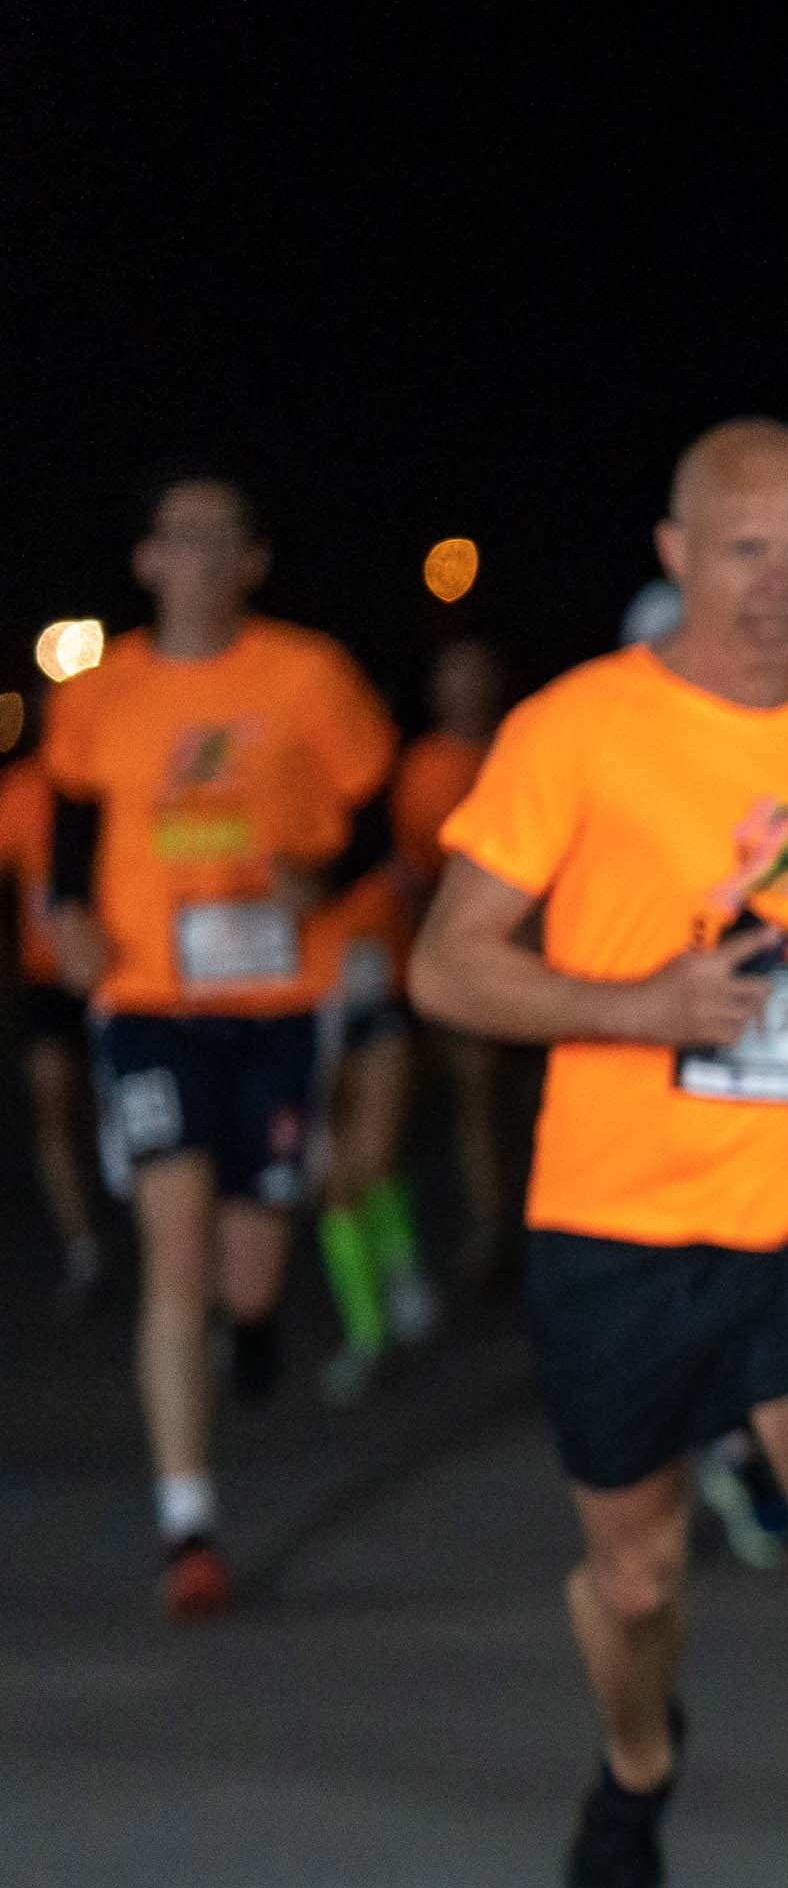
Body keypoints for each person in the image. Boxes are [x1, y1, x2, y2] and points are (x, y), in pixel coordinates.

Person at [409, 418, 788, 1888]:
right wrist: (638, 1005)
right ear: (676, 553)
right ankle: (637, 1761)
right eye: (744, 548)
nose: (776, 582)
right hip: (621, 1219)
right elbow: (447, 963)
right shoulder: (577, 728)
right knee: (637, 1577)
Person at [37, 475, 400, 1616]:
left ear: (253, 561)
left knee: (253, 1256)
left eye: (220, 540)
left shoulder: (308, 675)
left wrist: (324, 877)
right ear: (146, 560)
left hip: (278, 997)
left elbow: (378, 811)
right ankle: (186, 1523)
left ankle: (252, 1325)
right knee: (176, 1244)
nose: (197, 558)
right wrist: (69, 917)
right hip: (149, 996)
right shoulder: (103, 690)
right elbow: (70, 827)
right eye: (178, 539)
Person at [313, 641, 501, 1395]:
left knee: (369, 1158)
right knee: (334, 1169)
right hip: (296, 1009)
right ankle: (382, 1306)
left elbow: (431, 878)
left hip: (383, 996)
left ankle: (386, 1311)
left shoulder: (401, 791)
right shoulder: (275, 809)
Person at [392, 638, 519, 1293]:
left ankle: (547, 1219)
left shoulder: (520, 748)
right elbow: (413, 867)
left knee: (541, 1094)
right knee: (475, 1093)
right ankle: (490, 1226)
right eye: (453, 677)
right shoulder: (422, 765)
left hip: (538, 950)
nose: (465, 689)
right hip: (465, 956)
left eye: (476, 675)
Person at [0, 737, 111, 1307]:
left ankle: (152, 1228)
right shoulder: (23, 789)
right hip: (48, 978)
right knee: (52, 1106)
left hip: (124, 974)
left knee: (113, 1111)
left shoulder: (118, 767)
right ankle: (83, 1248)